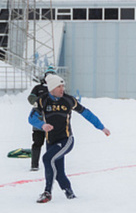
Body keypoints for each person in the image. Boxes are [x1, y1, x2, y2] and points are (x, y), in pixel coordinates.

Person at [28, 74, 111, 203]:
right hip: (51, 141)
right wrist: (42, 125)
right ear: (52, 88)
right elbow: (31, 118)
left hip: (66, 140)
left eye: (63, 86)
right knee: (59, 172)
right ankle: (70, 195)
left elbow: (86, 113)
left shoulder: (68, 100)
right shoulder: (42, 100)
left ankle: (47, 192)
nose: (62, 89)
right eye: (59, 86)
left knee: (46, 158)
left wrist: (101, 127)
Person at [26, 66, 56, 171]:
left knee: (53, 144)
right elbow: (30, 98)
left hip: (52, 120)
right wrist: (40, 102)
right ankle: (34, 165)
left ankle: (53, 164)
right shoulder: (38, 88)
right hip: (38, 119)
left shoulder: (57, 89)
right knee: (37, 143)